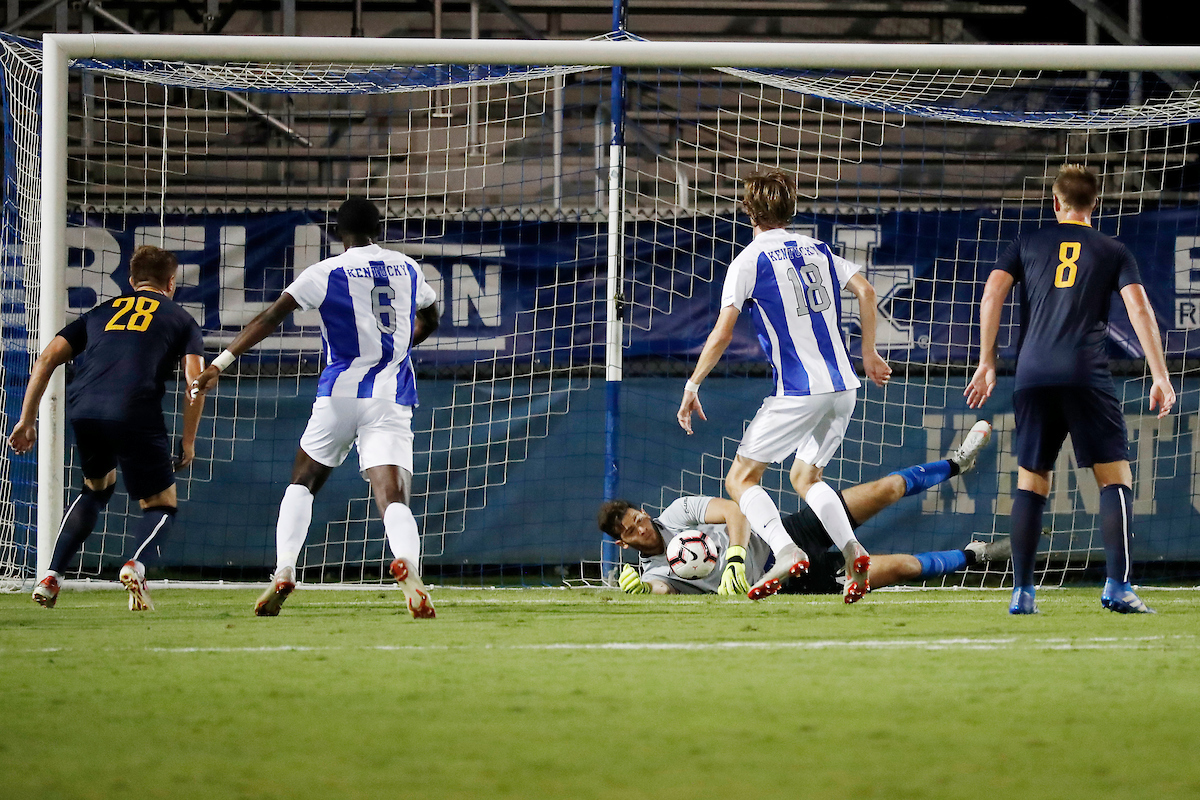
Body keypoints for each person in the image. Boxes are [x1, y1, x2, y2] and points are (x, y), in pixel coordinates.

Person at [192, 198, 439, 618]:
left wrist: (221, 362)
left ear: (339, 232)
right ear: (378, 228)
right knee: (393, 494)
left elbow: (270, 318)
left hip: (337, 395)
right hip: (390, 396)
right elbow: (431, 317)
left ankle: (285, 567)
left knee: (302, 482)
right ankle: (408, 567)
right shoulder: (407, 267)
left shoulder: (325, 272)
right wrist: (398, 349)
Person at [965, 164, 1176, 615]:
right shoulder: (1113, 249)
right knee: (1115, 478)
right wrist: (1159, 373)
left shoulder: (1027, 242)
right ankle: (1118, 586)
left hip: (1033, 372)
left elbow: (991, 295)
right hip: (1085, 372)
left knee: (1032, 480)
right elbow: (1140, 311)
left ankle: (1022, 592)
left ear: (1056, 203)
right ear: (1094, 205)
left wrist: (987, 361)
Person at [677, 170, 892, 604]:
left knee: (740, 479)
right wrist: (869, 352)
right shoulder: (819, 249)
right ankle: (853, 551)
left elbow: (721, 333)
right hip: (844, 388)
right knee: (806, 476)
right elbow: (867, 292)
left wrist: (692, 383)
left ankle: (785, 550)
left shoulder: (749, 260)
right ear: (791, 210)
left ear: (748, 210)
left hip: (799, 391)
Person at [8, 245, 208, 611]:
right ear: (172, 283)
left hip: (84, 409)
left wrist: (27, 419)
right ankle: (136, 566)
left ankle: (51, 576)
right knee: (161, 504)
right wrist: (188, 441)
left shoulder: (100, 311)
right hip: (135, 411)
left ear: (132, 281)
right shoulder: (181, 319)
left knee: (97, 486)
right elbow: (195, 382)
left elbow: (48, 357)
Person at [599, 420, 1002, 597]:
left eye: (639, 517)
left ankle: (957, 463)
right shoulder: (653, 571)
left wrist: (736, 556)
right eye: (632, 531)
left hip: (789, 533)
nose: (642, 527)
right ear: (623, 544)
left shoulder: (678, 512)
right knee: (903, 567)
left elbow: (738, 511)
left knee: (889, 487)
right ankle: (973, 554)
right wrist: (639, 592)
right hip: (793, 580)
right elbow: (662, 590)